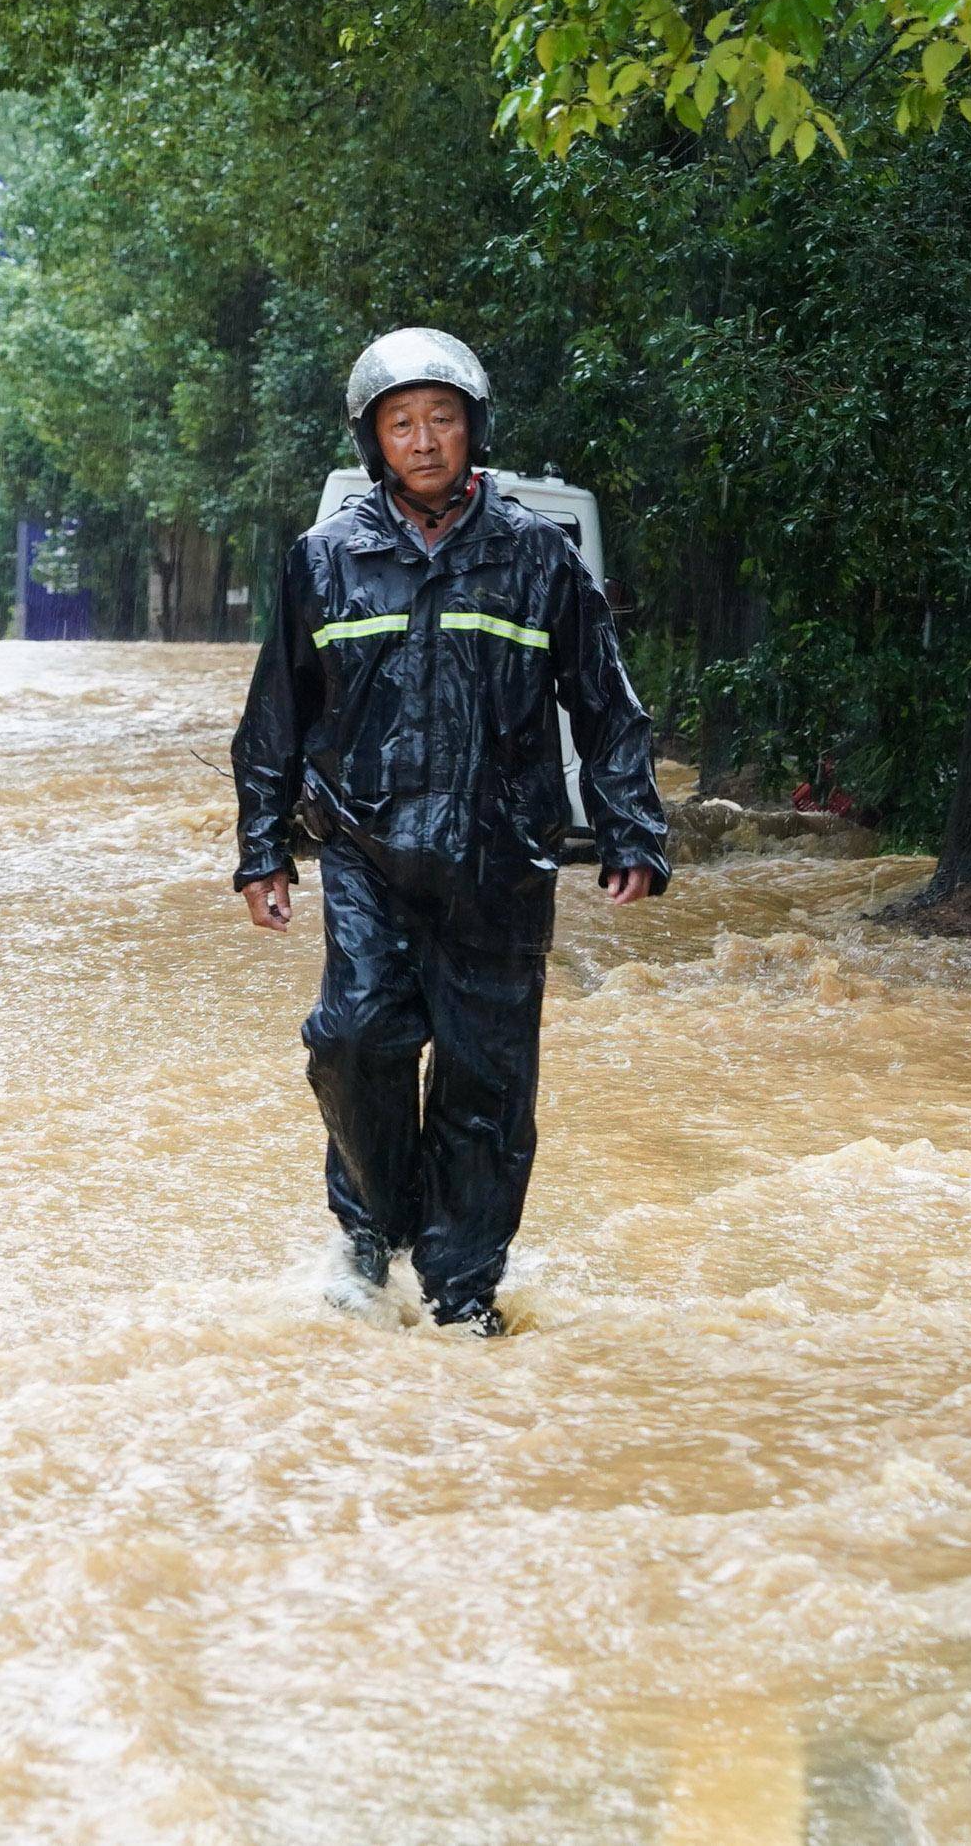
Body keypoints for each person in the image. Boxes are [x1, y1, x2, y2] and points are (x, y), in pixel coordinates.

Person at [230, 328, 669, 1336]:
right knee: (349, 1041)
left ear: (471, 429)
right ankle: (372, 1233)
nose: (422, 440)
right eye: (400, 424)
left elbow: (605, 706)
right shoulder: (323, 561)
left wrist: (628, 830)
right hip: (363, 851)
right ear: (370, 442)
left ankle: (461, 1291)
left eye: (440, 419)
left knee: (484, 1083)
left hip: (501, 859)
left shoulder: (536, 558)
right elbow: (275, 719)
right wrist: (261, 848)